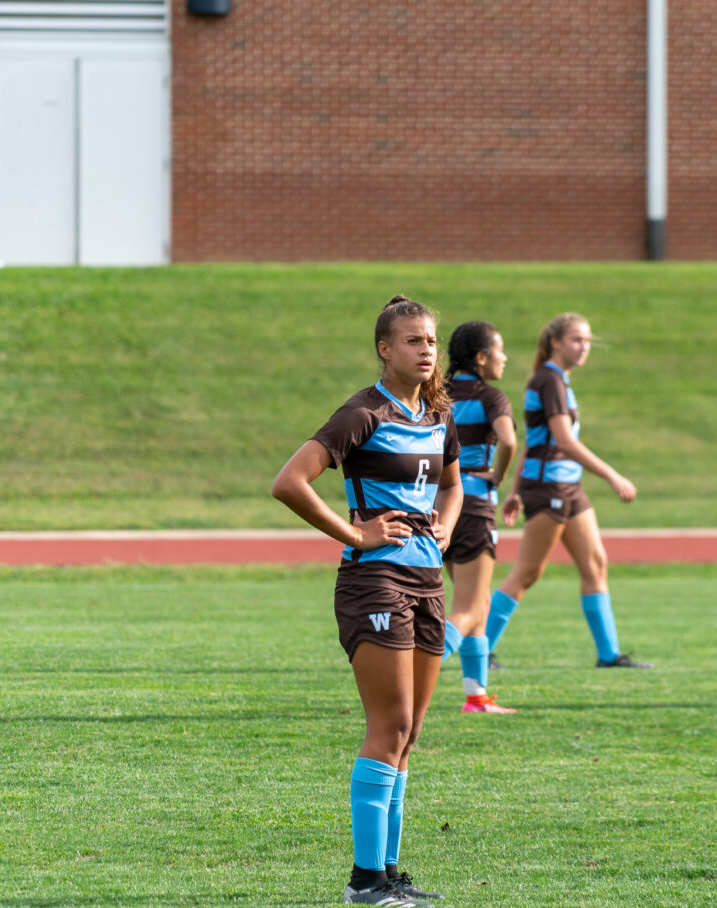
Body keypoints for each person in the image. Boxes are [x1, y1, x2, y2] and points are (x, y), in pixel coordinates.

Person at [271, 295, 462, 906]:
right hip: (374, 581)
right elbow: (289, 482)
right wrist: (357, 534)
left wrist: (448, 527)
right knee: (391, 724)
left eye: (431, 340)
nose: (426, 350)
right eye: (413, 341)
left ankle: (389, 875)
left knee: (410, 735)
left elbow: (455, 482)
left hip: (429, 582)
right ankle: (362, 881)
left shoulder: (437, 413)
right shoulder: (363, 413)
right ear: (385, 350)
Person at [485, 312, 653, 670]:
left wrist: (515, 488)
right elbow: (561, 440)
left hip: (567, 486)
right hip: (550, 487)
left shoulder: (558, 380)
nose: (584, 347)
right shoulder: (549, 380)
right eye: (577, 340)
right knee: (527, 572)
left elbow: (533, 439)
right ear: (556, 342)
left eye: (588, 341)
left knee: (596, 564)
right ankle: (480, 647)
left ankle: (609, 654)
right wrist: (612, 475)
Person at [440, 321, 518, 714]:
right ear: (482, 357)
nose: (505, 358)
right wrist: (499, 476)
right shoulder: (491, 397)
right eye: (500, 350)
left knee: (480, 604)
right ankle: (415, 671)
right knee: (468, 608)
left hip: (436, 507)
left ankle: (476, 697)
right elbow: (508, 440)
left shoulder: (436, 394)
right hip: (472, 507)